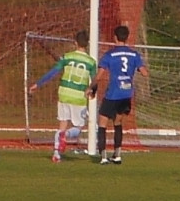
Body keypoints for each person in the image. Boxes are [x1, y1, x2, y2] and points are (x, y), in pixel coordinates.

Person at [29, 30, 97, 163]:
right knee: (78, 127)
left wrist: (37, 84)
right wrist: (92, 92)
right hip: (78, 95)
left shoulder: (67, 57)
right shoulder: (91, 62)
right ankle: (65, 136)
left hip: (64, 93)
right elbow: (94, 80)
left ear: (75, 43)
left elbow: (53, 72)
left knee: (62, 123)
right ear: (87, 44)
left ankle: (56, 154)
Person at [88, 24, 149, 165]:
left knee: (102, 123)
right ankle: (117, 155)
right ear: (127, 38)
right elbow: (145, 73)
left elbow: (99, 76)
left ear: (115, 37)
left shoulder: (109, 55)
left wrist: (90, 87)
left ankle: (103, 156)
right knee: (118, 123)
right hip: (126, 95)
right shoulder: (134, 54)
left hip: (113, 94)